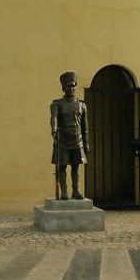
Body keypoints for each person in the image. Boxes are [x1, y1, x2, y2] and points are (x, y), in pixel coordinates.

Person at [50, 71, 89, 200]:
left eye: (73, 86)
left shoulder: (81, 105)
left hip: (77, 140)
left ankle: (76, 191)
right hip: (63, 140)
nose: (71, 88)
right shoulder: (57, 104)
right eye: (68, 86)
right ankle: (64, 192)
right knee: (62, 167)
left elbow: (85, 127)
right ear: (63, 88)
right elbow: (54, 119)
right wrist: (54, 131)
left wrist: (86, 143)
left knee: (75, 167)